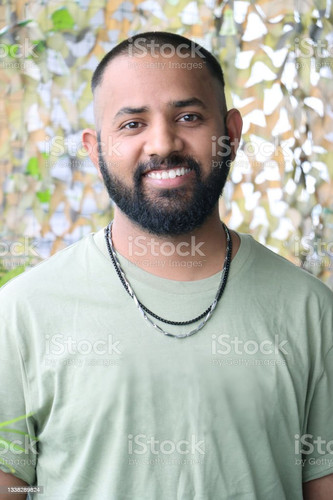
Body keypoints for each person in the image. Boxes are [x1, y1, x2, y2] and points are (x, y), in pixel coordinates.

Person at [0, 31, 332, 500]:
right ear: (96, 150)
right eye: (132, 124)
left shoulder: (312, 311)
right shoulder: (20, 313)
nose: (162, 143)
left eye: (189, 116)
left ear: (231, 135)